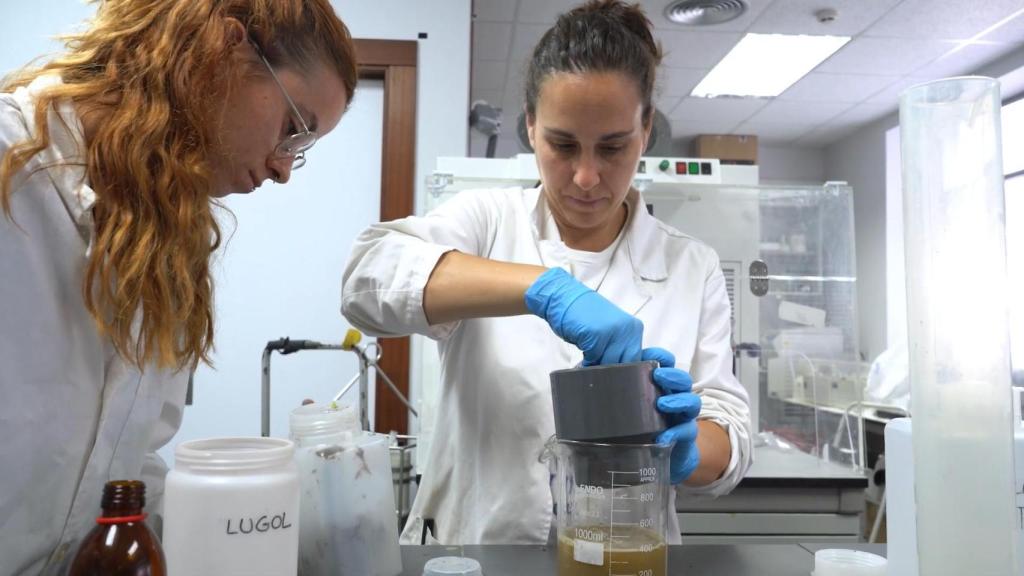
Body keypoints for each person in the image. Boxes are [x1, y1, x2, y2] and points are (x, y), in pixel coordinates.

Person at [342, 0, 752, 545]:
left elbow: (729, 431)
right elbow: (366, 279)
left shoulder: (690, 264)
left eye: (613, 147)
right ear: (530, 125)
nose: (586, 177)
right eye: (562, 145)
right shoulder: (487, 219)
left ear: (646, 128)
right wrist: (542, 289)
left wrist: (686, 446)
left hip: (625, 548)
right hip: (476, 546)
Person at [0, 1, 356, 573]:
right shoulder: (9, 170)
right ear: (222, 50)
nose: (284, 168)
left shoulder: (162, 248)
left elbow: (129, 468)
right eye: (294, 128)